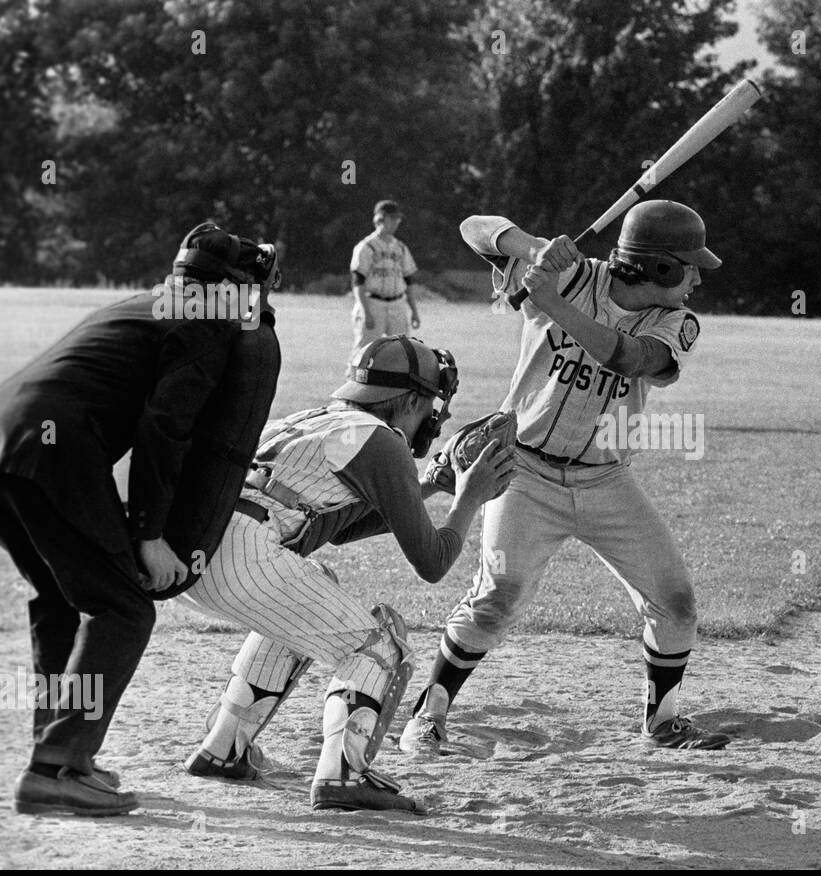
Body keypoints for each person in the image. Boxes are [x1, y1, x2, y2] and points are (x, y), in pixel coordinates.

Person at [400, 199, 730, 756]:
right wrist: (531, 249)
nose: (697, 277)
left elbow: (628, 358)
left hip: (606, 480)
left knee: (675, 599)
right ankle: (427, 715)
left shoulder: (676, 321)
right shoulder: (570, 274)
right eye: (689, 265)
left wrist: (549, 302)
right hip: (522, 470)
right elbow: (472, 228)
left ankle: (663, 720)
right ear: (660, 268)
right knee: (498, 597)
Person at [0, 221, 283, 816]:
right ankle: (57, 767)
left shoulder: (148, 302)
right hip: (55, 449)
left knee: (60, 597)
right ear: (230, 287)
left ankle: (56, 756)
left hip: (10, 439)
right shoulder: (207, 318)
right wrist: (151, 536)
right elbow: (165, 429)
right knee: (124, 606)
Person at [179, 336, 514, 814]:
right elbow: (433, 562)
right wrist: (469, 498)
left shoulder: (317, 422)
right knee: (379, 646)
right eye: (431, 406)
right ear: (416, 401)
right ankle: (343, 776)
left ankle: (224, 749)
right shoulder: (381, 441)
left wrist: (433, 485)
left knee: (311, 590)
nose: (434, 419)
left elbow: (339, 528)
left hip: (198, 546)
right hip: (242, 552)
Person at [350, 199, 421, 349]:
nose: (397, 221)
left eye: (398, 218)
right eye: (392, 218)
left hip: (397, 305)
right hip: (373, 304)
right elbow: (358, 282)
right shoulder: (366, 247)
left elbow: (408, 281)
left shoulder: (401, 248)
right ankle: (354, 373)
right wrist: (365, 312)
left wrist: (414, 311)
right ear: (380, 218)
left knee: (401, 351)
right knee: (364, 351)